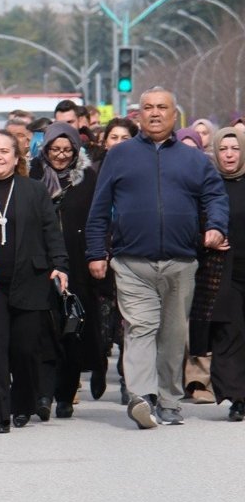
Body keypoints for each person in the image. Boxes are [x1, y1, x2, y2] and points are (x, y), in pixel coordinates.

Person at [87, 88, 229, 429]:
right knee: (140, 327)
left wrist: (216, 227)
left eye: (161, 108)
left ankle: (168, 400)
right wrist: (96, 252)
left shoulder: (194, 159)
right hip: (131, 261)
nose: (154, 113)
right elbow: (99, 208)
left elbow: (216, 197)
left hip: (181, 262)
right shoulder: (119, 157)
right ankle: (141, 396)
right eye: (147, 108)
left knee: (172, 334)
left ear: (173, 114)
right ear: (139, 115)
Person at [0, 131, 69, 432]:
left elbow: (50, 230)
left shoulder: (33, 190)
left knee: (25, 348)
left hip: (30, 278)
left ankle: (23, 402)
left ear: (17, 158)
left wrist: (60, 265)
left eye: (5, 151)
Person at [32, 122, 105, 410]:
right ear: (45, 148)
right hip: (41, 260)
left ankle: (65, 394)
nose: (60, 156)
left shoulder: (87, 178)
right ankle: (43, 393)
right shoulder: (33, 174)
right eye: (55, 149)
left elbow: (97, 217)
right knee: (42, 328)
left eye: (67, 150)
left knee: (72, 328)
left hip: (77, 261)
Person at [204, 128, 245, 419]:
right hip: (223, 270)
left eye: (235, 148)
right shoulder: (209, 185)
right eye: (223, 149)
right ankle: (236, 396)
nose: (229, 154)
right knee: (229, 332)